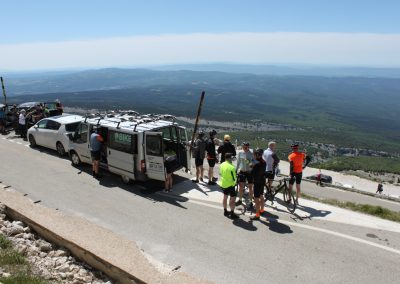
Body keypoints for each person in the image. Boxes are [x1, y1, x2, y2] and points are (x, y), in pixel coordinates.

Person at [219, 153, 239, 219]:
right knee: (232, 199)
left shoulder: (222, 164)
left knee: (225, 197)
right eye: (232, 157)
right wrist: (235, 183)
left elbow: (220, 173)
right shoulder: (232, 167)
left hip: (223, 184)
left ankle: (225, 211)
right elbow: (234, 178)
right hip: (230, 185)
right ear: (230, 158)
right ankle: (232, 213)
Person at [235, 142, 255, 209]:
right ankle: (240, 200)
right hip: (242, 171)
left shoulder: (251, 153)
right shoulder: (240, 152)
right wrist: (236, 170)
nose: (245, 148)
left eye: (246, 147)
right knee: (241, 187)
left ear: (248, 147)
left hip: (249, 172)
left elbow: (254, 163)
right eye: (244, 146)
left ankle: (251, 201)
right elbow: (238, 162)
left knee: (250, 187)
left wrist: (248, 162)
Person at [251, 148, 267, 220]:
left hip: (257, 182)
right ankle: (262, 210)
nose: (254, 155)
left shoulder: (256, 164)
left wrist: (251, 166)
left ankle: (257, 215)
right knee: (261, 196)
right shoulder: (264, 162)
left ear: (257, 155)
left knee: (256, 199)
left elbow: (252, 173)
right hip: (262, 181)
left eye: (255, 154)